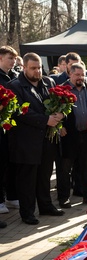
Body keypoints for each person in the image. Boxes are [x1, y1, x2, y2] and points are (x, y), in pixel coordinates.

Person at [8, 52, 65, 225]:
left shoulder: (49, 82)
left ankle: (46, 205)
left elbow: (59, 102)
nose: (37, 71)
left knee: (45, 175)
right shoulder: (15, 86)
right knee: (28, 179)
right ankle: (27, 212)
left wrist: (62, 113)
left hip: (48, 140)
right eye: (33, 68)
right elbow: (20, 112)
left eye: (39, 67)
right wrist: (45, 120)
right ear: (24, 67)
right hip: (26, 141)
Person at [58, 63, 87, 207]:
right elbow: (52, 111)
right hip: (69, 135)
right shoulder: (61, 90)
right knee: (65, 169)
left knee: (86, 167)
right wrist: (60, 126)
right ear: (70, 74)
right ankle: (64, 198)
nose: (80, 77)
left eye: (83, 74)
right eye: (77, 75)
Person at [0, 46, 20, 218]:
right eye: (9, 58)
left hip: (14, 126)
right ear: (0, 58)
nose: (13, 61)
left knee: (13, 160)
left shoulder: (15, 76)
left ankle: (12, 196)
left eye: (14, 58)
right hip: (1, 126)